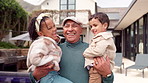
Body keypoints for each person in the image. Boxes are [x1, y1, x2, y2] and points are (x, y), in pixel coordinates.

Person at [30, 16, 113, 83]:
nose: (70, 29)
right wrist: (35, 75)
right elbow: (36, 77)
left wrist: (108, 74)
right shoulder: (54, 51)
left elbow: (106, 78)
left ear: (81, 30)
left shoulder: (92, 50)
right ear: (63, 31)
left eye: (74, 26)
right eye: (66, 26)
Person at [27, 13, 73, 83]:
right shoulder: (41, 42)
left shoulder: (49, 41)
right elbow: (35, 59)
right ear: (40, 33)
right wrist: (51, 61)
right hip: (47, 76)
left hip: (52, 76)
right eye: (50, 28)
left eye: (54, 26)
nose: (54, 29)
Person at [83, 12, 116, 83]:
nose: (92, 28)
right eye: (91, 26)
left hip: (98, 67)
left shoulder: (104, 38)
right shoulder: (101, 37)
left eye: (95, 25)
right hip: (98, 66)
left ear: (105, 25)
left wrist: (85, 53)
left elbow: (98, 51)